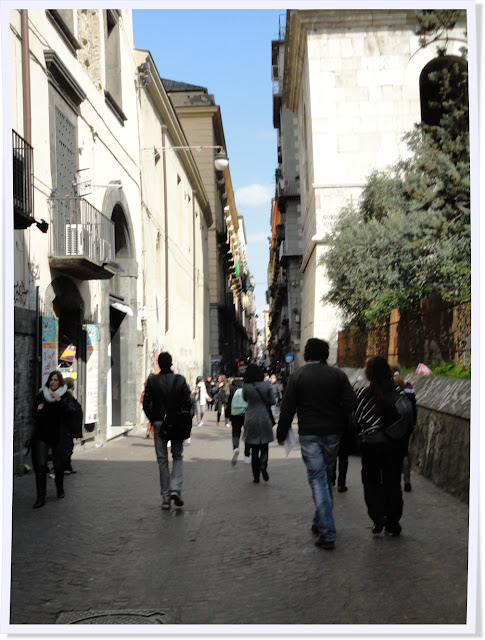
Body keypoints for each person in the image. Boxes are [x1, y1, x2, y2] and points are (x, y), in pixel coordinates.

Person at [277, 338, 357, 550]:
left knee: (317, 479)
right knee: (325, 477)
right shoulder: (338, 375)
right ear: (325, 354)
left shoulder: (298, 376)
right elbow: (351, 403)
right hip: (333, 434)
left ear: (306, 354)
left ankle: (327, 532)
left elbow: (287, 409)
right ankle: (319, 520)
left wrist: (281, 433)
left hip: (310, 433)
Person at [353, 356, 410, 537]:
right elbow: (408, 418)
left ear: (368, 374)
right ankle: (393, 522)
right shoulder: (398, 393)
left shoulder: (362, 394)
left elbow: (356, 420)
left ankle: (377, 518)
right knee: (392, 482)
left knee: (371, 482)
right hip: (393, 445)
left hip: (370, 445)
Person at [142, 352, 192, 510]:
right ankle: (175, 488)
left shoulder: (152, 381)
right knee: (177, 455)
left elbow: (146, 403)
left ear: (158, 363)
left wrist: (154, 418)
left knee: (162, 460)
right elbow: (188, 402)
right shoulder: (180, 380)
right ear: (171, 363)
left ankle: (165, 497)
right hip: (176, 422)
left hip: (158, 422)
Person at [31, 371, 75, 508]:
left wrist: (59, 401)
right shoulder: (41, 395)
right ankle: (40, 498)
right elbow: (33, 414)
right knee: (41, 465)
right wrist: (37, 411)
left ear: (60, 382)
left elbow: (71, 412)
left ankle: (60, 488)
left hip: (58, 436)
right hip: (42, 436)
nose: (53, 382)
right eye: (51, 380)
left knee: (58, 465)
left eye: (55, 380)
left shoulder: (66, 396)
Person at [242, 364, 276, 483]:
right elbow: (272, 401)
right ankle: (263, 465)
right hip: (264, 417)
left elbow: (245, 399)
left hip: (251, 417)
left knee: (254, 447)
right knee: (264, 445)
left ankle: (256, 476)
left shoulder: (246, 386)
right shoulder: (267, 385)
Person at [389, 361, 417, 492]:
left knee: (392, 451)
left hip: (392, 424)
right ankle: (407, 479)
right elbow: (413, 406)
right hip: (407, 424)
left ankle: (393, 479)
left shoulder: (389, 385)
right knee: (404, 450)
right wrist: (413, 423)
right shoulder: (408, 385)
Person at [226, 376, 250, 465]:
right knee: (247, 433)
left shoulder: (231, 387)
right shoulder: (247, 386)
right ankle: (247, 455)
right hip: (246, 412)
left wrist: (228, 415)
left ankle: (236, 448)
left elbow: (227, 400)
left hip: (235, 413)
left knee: (236, 432)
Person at [64, 377, 83, 474]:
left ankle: (68, 466)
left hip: (69, 426)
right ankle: (65, 467)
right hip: (67, 427)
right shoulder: (68, 394)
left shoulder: (68, 394)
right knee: (67, 447)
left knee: (69, 446)